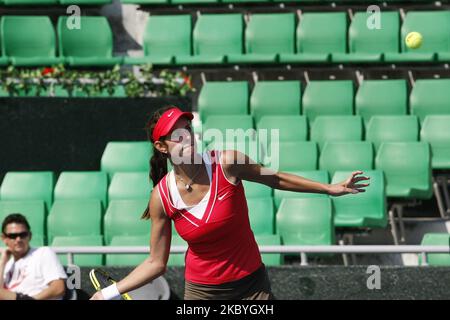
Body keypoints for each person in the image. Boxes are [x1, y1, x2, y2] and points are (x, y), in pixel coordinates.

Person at [91, 106, 370, 300]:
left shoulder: (227, 162)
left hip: (251, 286)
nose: (186, 137)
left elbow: (277, 179)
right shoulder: (161, 199)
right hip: (202, 292)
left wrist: (329, 188)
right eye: (177, 135)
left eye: (187, 129)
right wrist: (109, 293)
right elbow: (155, 262)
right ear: (162, 147)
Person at [0, 213, 67, 300]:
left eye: (23, 235)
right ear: (4, 239)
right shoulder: (7, 264)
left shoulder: (43, 253)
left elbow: (58, 288)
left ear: (30, 235)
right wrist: (2, 263)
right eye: (13, 236)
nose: (18, 239)